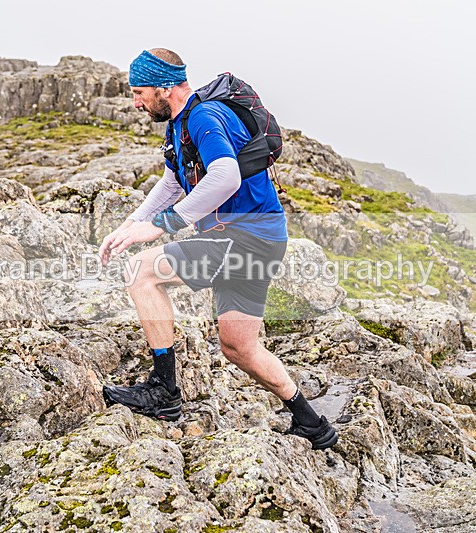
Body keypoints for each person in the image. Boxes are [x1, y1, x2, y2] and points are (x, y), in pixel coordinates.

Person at [98, 48, 338, 450]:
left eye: (139, 92)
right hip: (260, 239)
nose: (135, 102)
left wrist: (164, 225)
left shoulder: (205, 117)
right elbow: (173, 183)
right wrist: (132, 223)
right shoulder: (179, 125)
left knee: (141, 273)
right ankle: (312, 423)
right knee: (238, 347)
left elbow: (224, 176)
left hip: (242, 237)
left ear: (164, 87)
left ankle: (163, 392)